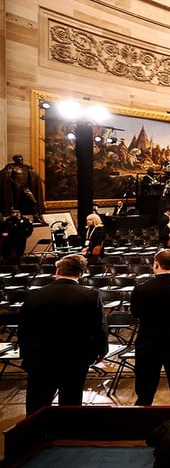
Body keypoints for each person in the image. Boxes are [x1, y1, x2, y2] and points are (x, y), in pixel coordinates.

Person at [18, 254, 107, 415]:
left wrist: (25, 354)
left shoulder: (34, 295)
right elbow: (99, 327)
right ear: (80, 273)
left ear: (57, 270)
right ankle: (67, 436)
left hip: (40, 358)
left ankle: (35, 436)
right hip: (74, 358)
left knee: (37, 405)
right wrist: (101, 352)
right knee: (70, 403)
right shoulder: (90, 295)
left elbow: (24, 329)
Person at [130, 249, 170, 406]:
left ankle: (143, 424)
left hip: (149, 342)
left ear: (156, 264)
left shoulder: (141, 289)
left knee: (145, 390)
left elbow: (135, 313)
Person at [0, 154, 44, 220]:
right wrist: (13, 182)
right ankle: (16, 218)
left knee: (34, 201)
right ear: (16, 160)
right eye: (19, 159)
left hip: (25, 188)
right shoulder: (11, 167)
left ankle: (36, 216)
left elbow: (33, 176)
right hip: (16, 188)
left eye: (21, 159)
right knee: (16, 205)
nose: (21, 160)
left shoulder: (26, 167)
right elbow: (5, 176)